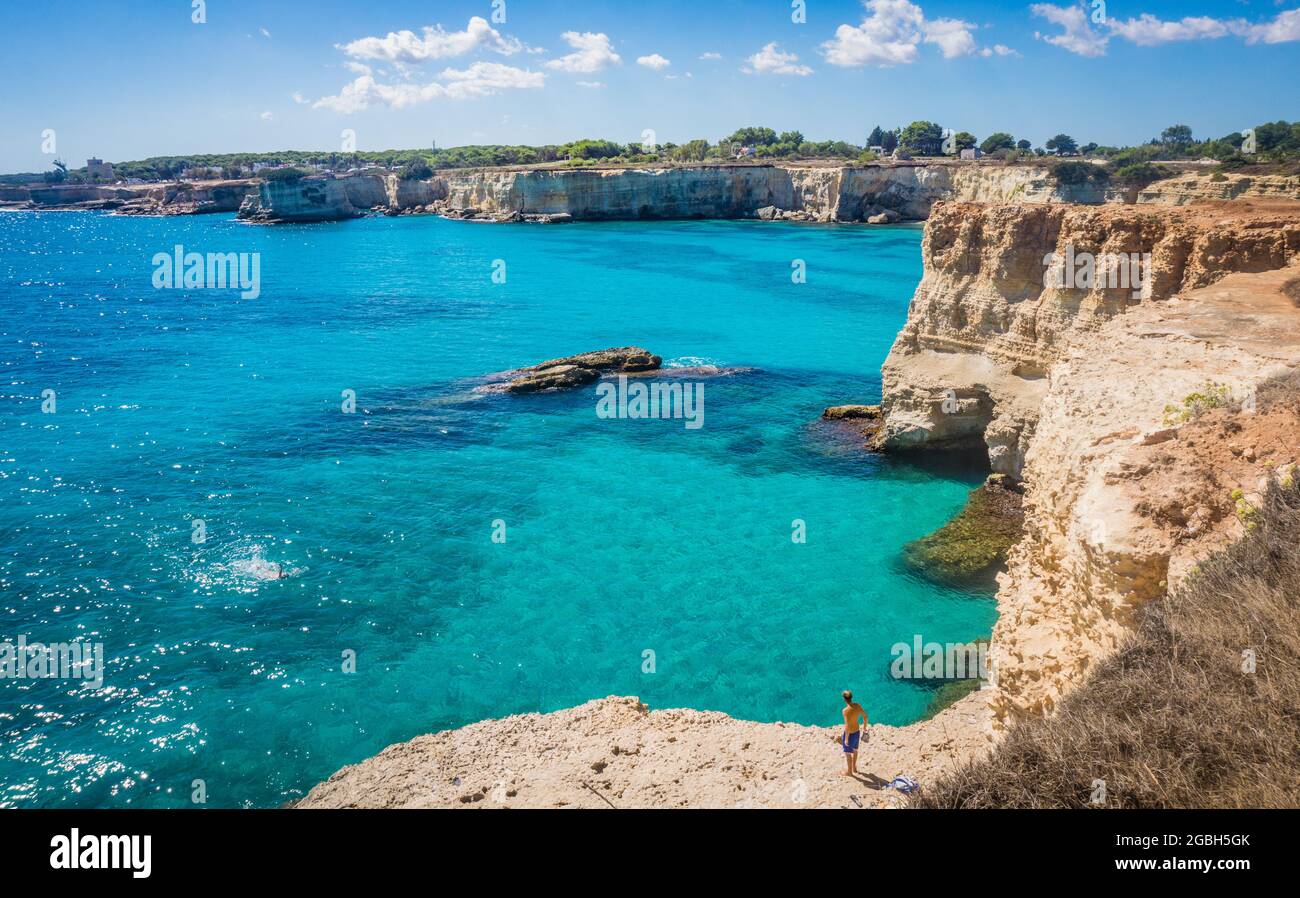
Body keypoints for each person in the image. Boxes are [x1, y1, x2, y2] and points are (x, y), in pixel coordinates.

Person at [840, 690, 868, 777]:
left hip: (850, 734)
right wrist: (864, 727)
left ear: (844, 699)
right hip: (857, 732)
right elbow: (865, 716)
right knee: (855, 750)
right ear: (851, 697)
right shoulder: (857, 705)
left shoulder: (845, 711)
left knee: (848, 753)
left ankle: (849, 772)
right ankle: (854, 768)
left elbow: (847, 726)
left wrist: (847, 739)